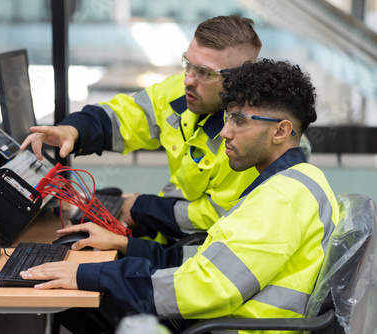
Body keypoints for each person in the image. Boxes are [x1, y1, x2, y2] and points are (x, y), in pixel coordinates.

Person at [21, 59, 340, 333]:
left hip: (229, 326)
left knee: (78, 303)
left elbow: (203, 288)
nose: (225, 132)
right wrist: (125, 246)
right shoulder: (297, 182)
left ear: (281, 131)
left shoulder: (280, 200)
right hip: (228, 316)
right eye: (228, 118)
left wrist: (91, 273)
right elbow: (209, 264)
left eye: (239, 121)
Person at [21, 15, 264, 241]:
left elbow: (219, 217)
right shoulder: (182, 91)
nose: (188, 79)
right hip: (173, 233)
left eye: (204, 72)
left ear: (238, 79)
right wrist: (73, 130)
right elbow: (127, 116)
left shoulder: (250, 139)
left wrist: (143, 208)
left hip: (201, 253)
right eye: (188, 64)